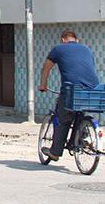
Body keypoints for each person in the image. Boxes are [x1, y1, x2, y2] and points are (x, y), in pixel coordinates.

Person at [38, 30, 99, 161]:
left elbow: (46, 68)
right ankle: (83, 135)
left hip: (71, 90)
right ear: (77, 40)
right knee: (79, 112)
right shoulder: (86, 49)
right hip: (93, 89)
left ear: (63, 40)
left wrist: (43, 85)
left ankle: (55, 152)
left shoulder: (58, 48)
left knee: (64, 121)